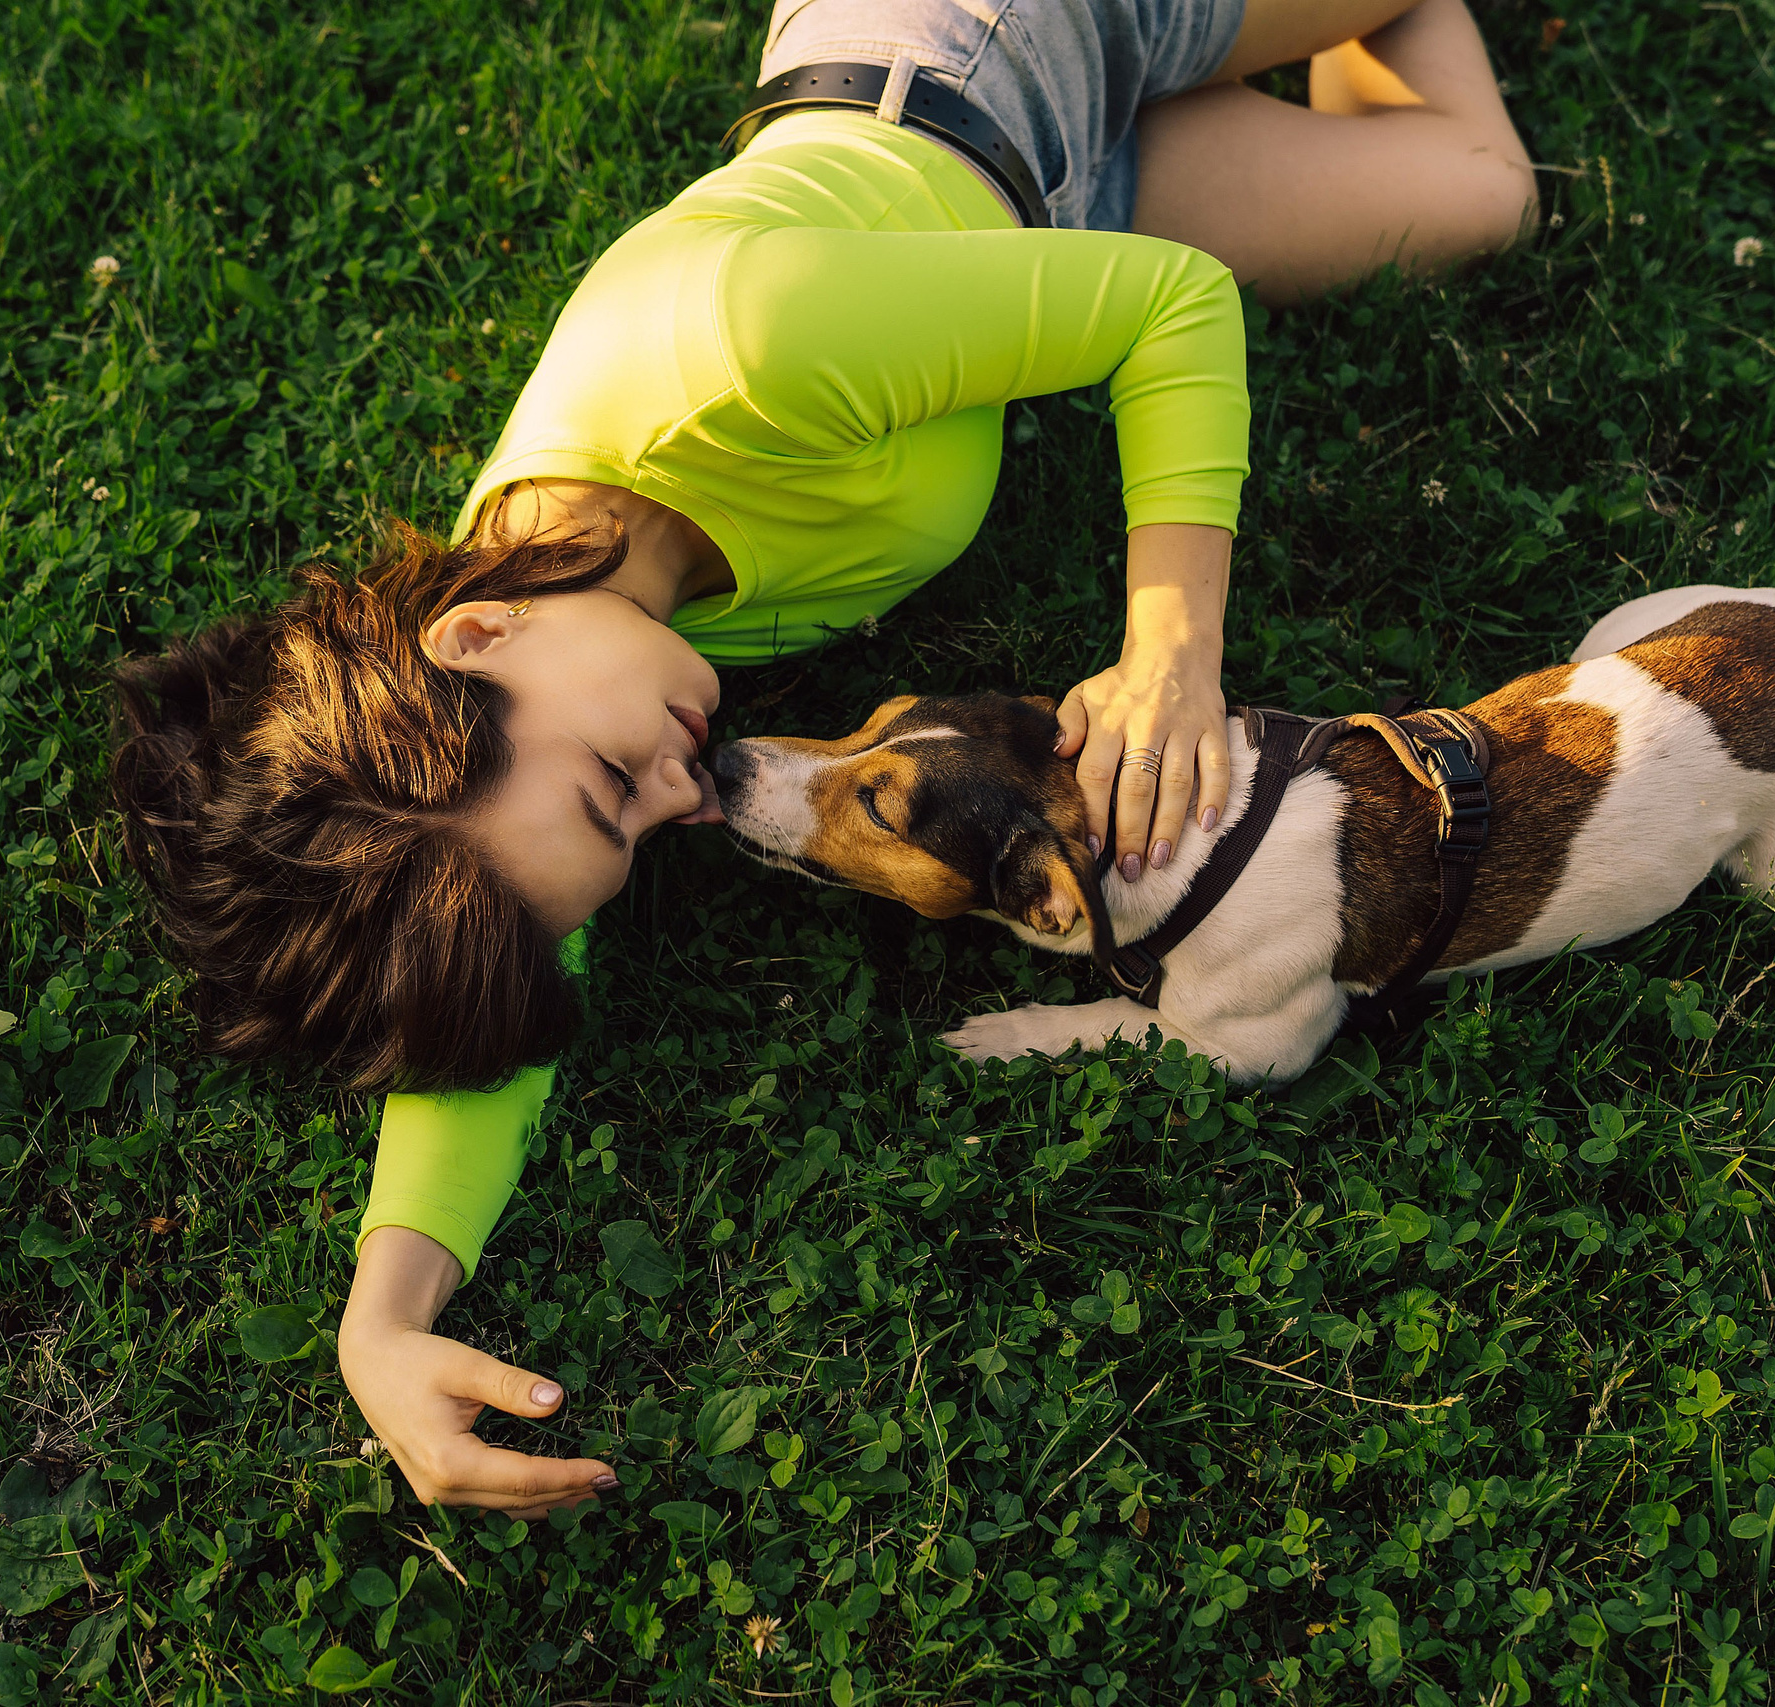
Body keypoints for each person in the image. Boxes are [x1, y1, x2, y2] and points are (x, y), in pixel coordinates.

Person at [110, 0, 1536, 1518]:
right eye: (639, 828)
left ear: (473, 646)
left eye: (614, 788)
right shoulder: (555, 638)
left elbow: (1170, 310)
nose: (684, 797)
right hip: (1049, 186)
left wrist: (1172, 649)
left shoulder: (745, 348)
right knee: (1481, 194)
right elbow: (498, 955)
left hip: (1000, 35)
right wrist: (381, 1317)